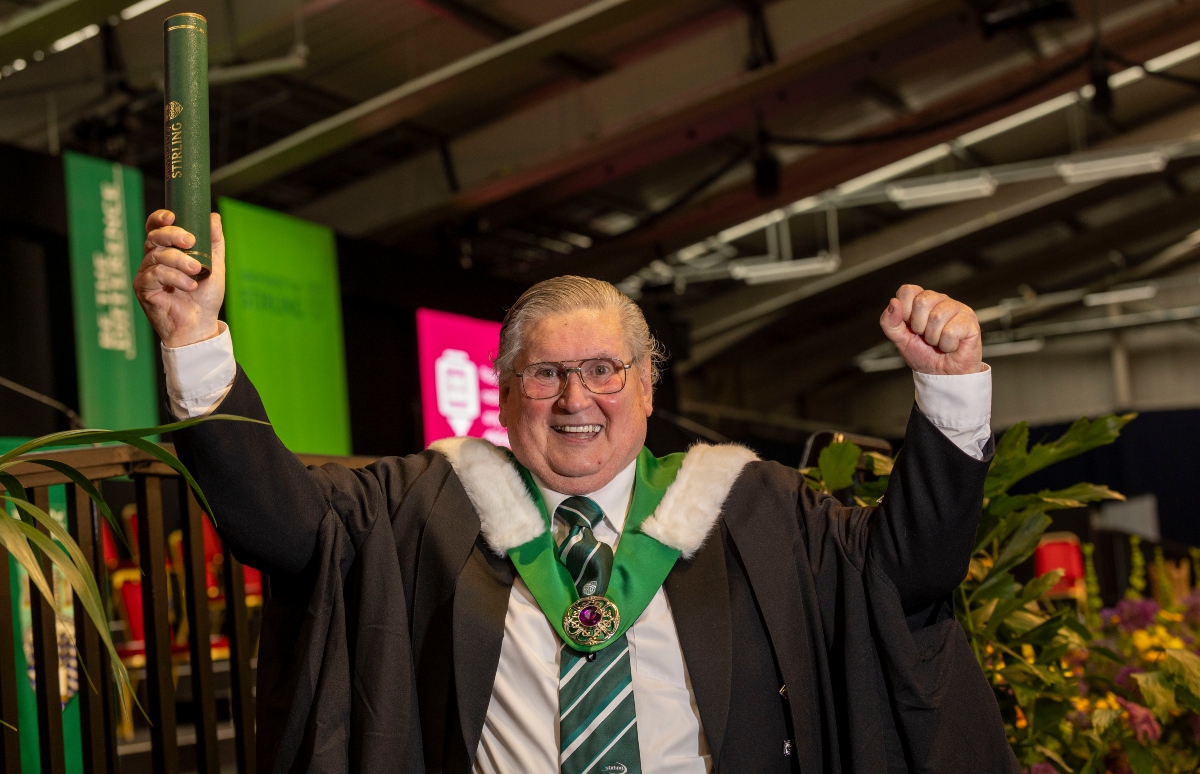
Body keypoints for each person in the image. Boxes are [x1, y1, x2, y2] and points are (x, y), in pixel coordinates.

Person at [134, 209, 1018, 774]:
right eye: (546, 373)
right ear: (505, 392)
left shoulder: (754, 508)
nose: (575, 399)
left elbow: (908, 573)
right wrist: (196, 338)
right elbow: (277, 523)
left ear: (647, 385)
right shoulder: (423, 507)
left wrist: (949, 390)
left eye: (603, 369)